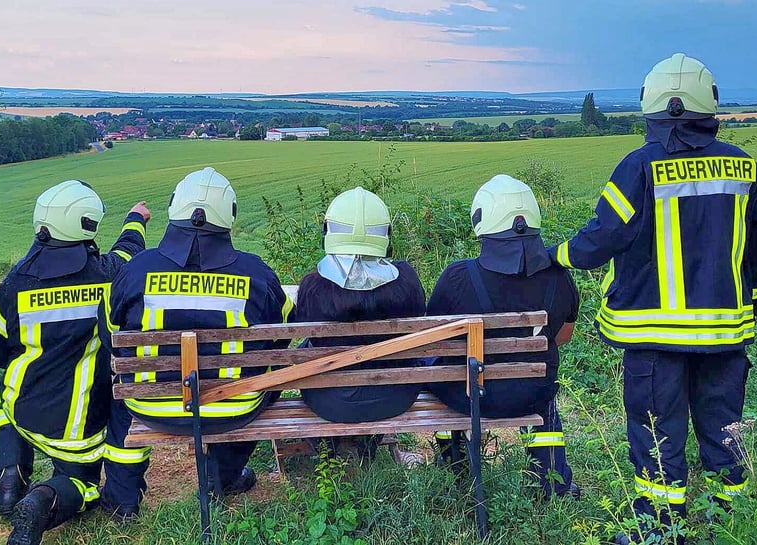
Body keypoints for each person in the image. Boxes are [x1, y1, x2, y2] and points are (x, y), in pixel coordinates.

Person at [550, 54, 757, 544]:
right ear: (709, 103)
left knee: (656, 434)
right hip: (724, 334)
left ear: (650, 105)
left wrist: (556, 255)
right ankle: (730, 525)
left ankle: (659, 531)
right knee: (724, 430)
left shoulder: (638, 166)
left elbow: (603, 237)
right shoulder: (744, 166)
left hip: (653, 337)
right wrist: (750, 303)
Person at [99, 167, 294, 520]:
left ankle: (122, 500)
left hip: (148, 405)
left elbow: (110, 334)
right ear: (229, 214)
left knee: (119, 396)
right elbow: (283, 332)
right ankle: (224, 478)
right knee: (268, 376)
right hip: (234, 407)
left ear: (175, 207)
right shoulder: (257, 273)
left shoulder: (135, 270)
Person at [0, 180, 149, 545]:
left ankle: (10, 479)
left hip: (22, 411)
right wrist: (135, 219)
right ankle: (42, 500)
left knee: (4, 394)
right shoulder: (106, 275)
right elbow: (128, 253)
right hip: (77, 429)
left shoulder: (13, 284)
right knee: (83, 485)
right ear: (87, 225)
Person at [425, 175, 580, 499]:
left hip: (469, 396)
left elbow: (433, 339)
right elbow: (563, 335)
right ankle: (552, 482)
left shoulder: (457, 276)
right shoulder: (559, 277)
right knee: (544, 395)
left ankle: (455, 466)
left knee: (438, 370)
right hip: (533, 393)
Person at [295, 187, 424, 456]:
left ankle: (333, 452)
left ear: (328, 232)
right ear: (386, 235)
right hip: (397, 396)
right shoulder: (407, 282)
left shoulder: (312, 287)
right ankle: (367, 447)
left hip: (328, 401)